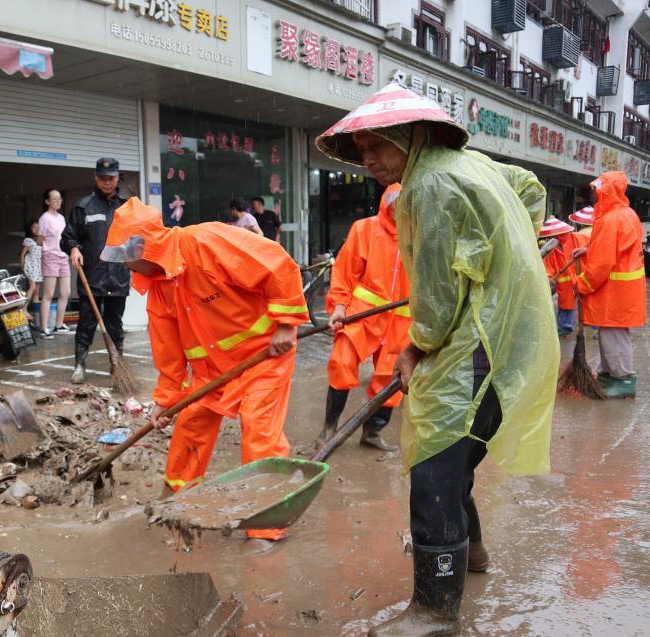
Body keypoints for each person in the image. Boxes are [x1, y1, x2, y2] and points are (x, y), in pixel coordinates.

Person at [316, 83, 559, 637]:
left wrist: (414, 347)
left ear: (410, 136)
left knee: (433, 473)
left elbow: (437, 302)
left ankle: (435, 609)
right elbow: (531, 187)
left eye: (378, 146)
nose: (370, 160)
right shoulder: (471, 164)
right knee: (456, 457)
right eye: (362, 151)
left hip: (476, 346)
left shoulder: (427, 186)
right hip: (506, 335)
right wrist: (506, 254)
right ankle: (471, 552)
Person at [102, 198, 309, 542]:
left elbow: (277, 265)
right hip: (212, 372)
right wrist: (166, 400)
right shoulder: (158, 290)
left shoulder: (208, 242)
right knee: (191, 423)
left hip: (263, 357)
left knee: (259, 433)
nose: (125, 265)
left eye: (128, 256)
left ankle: (265, 526)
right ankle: (176, 498)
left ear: (146, 247)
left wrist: (287, 324)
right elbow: (168, 355)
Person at [311, 183, 410, 453]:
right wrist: (339, 306)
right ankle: (329, 429)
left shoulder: (422, 237)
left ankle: (372, 432)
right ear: (388, 205)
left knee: (390, 380)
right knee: (341, 363)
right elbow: (345, 272)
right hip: (363, 314)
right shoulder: (365, 229)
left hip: (402, 321)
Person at [572, 172, 646, 398]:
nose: (594, 195)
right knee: (611, 332)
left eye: (597, 190)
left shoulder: (610, 219)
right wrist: (588, 250)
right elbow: (618, 249)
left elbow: (602, 263)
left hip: (615, 291)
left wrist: (581, 284)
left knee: (613, 334)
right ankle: (609, 374)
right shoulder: (627, 214)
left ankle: (623, 379)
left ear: (605, 191)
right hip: (624, 290)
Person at [62, 158, 130, 383]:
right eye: (102, 178)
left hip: (118, 276)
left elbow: (139, 238)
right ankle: (79, 366)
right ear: (95, 177)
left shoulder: (127, 206)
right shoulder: (84, 206)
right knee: (87, 322)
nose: (107, 183)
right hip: (91, 275)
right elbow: (69, 236)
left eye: (111, 178)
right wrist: (73, 248)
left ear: (118, 177)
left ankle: (116, 363)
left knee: (115, 323)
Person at [538, 216, 580, 337]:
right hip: (565, 281)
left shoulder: (575, 239)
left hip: (576, 277)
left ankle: (570, 325)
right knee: (566, 304)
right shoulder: (554, 248)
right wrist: (548, 276)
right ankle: (566, 325)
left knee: (582, 303)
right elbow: (549, 265)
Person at [37, 189, 71, 339]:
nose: (58, 201)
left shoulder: (62, 218)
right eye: (55, 199)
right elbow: (40, 240)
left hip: (63, 256)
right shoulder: (44, 218)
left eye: (60, 199)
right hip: (50, 256)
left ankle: (58, 325)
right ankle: (44, 328)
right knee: (49, 294)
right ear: (47, 201)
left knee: (66, 292)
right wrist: (48, 250)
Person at [19, 220, 44, 327]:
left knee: (37, 287)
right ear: (30, 229)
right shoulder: (28, 240)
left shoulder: (41, 240)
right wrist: (23, 266)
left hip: (38, 266)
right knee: (32, 287)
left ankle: (35, 300)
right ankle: (23, 308)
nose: (37, 229)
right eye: (34, 228)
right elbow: (22, 254)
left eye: (38, 227)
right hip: (31, 265)